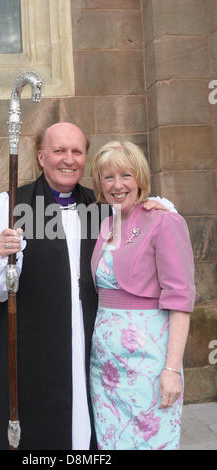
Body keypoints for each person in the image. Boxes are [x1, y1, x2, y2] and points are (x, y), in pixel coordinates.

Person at [0, 123, 176, 450]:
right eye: (59, 150)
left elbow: (144, 232)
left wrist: (158, 209)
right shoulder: (11, 205)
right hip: (30, 355)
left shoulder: (101, 209)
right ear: (40, 156)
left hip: (91, 353)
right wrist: (2, 254)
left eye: (76, 151)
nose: (68, 159)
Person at [89, 141, 196, 450]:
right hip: (105, 366)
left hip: (148, 363)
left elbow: (181, 299)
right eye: (108, 177)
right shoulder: (106, 225)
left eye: (126, 175)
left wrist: (171, 369)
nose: (117, 184)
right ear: (100, 184)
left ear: (140, 178)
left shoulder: (163, 220)